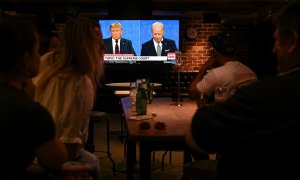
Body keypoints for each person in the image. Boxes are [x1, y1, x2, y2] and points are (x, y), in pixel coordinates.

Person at [185, 1, 300, 179]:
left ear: (292, 41)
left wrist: (206, 67)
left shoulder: (266, 92)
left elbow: (197, 131)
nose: (273, 49)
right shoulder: (251, 73)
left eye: (277, 40)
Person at [34, 17, 104, 179]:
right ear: (82, 45)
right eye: (97, 40)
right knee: (92, 163)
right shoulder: (80, 82)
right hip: (48, 158)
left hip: (26, 149)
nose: (102, 46)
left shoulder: (46, 60)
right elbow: (67, 152)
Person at [0, 16, 68, 179]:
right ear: (25, 60)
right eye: (37, 50)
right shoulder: (30, 111)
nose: (40, 56)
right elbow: (58, 161)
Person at [188, 33, 257, 102]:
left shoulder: (216, 74)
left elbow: (192, 92)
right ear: (235, 52)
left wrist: (205, 67)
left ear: (215, 52)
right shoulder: (251, 74)